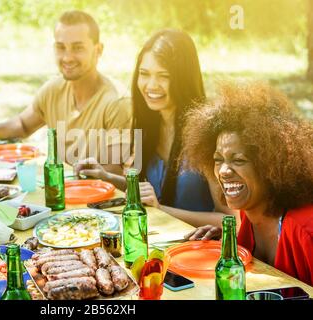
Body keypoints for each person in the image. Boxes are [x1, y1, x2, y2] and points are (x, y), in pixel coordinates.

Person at [75, 29, 232, 226]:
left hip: (197, 250)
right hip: (158, 241)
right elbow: (148, 194)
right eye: (144, 74)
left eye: (163, 76)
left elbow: (229, 219)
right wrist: (106, 177)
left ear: (183, 79)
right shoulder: (150, 123)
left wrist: (161, 209)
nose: (151, 85)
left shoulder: (208, 131)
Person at [0, 10, 132, 174]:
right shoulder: (53, 89)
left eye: (78, 48)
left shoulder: (116, 102)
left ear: (98, 50)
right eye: (61, 47)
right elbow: (23, 125)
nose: (67, 57)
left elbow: (113, 173)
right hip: (62, 191)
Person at [182, 82, 313, 285]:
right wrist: (230, 242)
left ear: (270, 165)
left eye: (239, 160)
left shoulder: (305, 228)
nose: (224, 171)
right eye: (218, 159)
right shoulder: (249, 211)